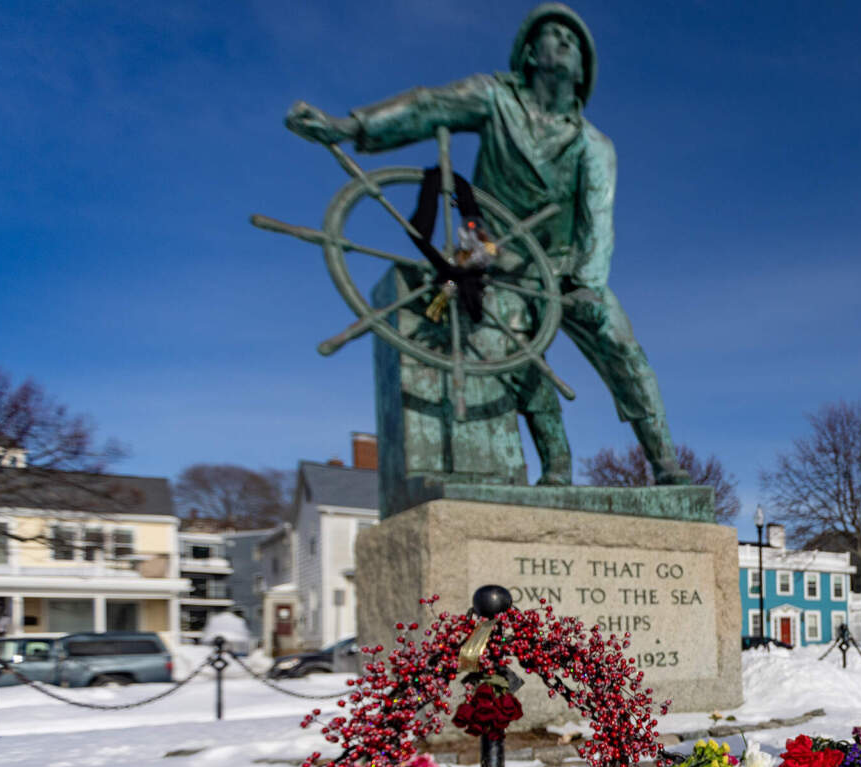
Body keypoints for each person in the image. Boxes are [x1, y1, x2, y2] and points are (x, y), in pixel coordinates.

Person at [284, 4, 687, 485]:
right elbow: (427, 105)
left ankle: (664, 462)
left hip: (567, 267)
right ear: (529, 54)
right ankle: (557, 466)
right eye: (551, 35)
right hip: (493, 259)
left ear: (583, 70)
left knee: (619, 343)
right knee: (507, 346)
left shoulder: (594, 146)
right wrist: (352, 127)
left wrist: (587, 283)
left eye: (573, 40)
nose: (563, 42)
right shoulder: (494, 99)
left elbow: (598, 222)